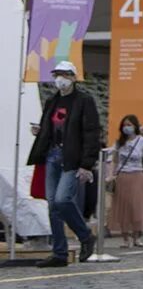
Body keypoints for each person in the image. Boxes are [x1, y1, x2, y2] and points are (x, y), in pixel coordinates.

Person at [25, 61, 102, 267]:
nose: (60, 78)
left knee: (62, 200)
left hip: (72, 159)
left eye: (65, 74)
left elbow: (92, 132)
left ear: (73, 77)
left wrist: (87, 163)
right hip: (52, 155)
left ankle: (85, 235)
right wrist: (40, 132)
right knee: (52, 205)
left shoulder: (84, 101)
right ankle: (59, 252)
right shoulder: (52, 101)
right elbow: (51, 128)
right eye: (57, 74)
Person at [108, 115, 143, 249]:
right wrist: (111, 175)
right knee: (123, 206)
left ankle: (137, 237)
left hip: (137, 176)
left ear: (135, 126)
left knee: (136, 206)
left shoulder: (142, 141)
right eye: (125, 124)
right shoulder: (119, 142)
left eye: (130, 124)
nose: (127, 127)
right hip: (122, 176)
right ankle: (125, 238)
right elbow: (114, 160)